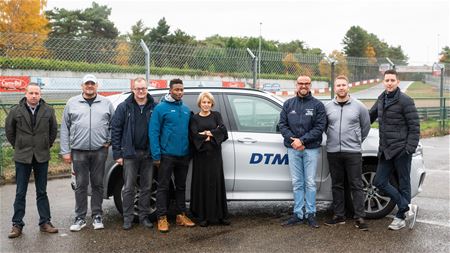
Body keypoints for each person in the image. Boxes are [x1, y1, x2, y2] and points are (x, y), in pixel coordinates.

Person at [60, 74, 114, 232]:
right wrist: (65, 151)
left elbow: (114, 124)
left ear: (97, 86)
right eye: (87, 84)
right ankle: (80, 217)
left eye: (92, 84)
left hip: (99, 151)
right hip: (78, 151)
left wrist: (108, 140)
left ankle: (97, 215)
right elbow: (65, 128)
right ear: (82, 86)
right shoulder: (72, 102)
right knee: (81, 185)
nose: (90, 86)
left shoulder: (106, 103)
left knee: (98, 184)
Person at [5, 83, 58, 238]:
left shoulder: (48, 110)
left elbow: (53, 130)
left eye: (36, 93)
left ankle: (45, 222)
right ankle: (17, 224)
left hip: (41, 156)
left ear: (40, 94)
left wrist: (45, 145)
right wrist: (19, 146)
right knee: (20, 192)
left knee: (42, 191)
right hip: (22, 156)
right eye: (31, 93)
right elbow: (10, 131)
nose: (34, 96)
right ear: (26, 93)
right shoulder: (16, 111)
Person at [369, 69, 420, 230]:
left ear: (397, 82)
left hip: (401, 150)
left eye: (392, 80)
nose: (389, 83)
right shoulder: (381, 99)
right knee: (379, 181)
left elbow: (414, 127)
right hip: (386, 150)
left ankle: (400, 217)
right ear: (383, 82)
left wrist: (409, 148)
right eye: (387, 80)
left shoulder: (405, 100)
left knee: (404, 183)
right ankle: (406, 206)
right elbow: (369, 117)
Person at [278, 75, 327, 228]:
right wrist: (294, 141)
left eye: (306, 83)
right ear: (296, 85)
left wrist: (303, 140)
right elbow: (282, 125)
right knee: (298, 183)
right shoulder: (288, 104)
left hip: (310, 149)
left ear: (310, 85)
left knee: (310, 183)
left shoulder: (318, 105)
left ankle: (311, 214)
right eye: (301, 83)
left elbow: (320, 127)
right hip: (293, 149)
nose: (303, 86)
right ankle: (298, 214)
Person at [324, 75, 370, 231]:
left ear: (348, 87)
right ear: (334, 88)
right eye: (338, 85)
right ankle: (339, 216)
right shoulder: (328, 107)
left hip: (353, 152)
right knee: (337, 185)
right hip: (333, 151)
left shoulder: (359, 106)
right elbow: (325, 127)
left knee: (356, 184)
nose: (341, 87)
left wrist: (356, 141)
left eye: (344, 85)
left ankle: (360, 217)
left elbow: (365, 127)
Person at [149, 78, 195, 233]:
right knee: (163, 187)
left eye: (181, 90)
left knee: (181, 187)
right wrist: (156, 155)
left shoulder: (186, 109)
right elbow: (153, 132)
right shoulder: (161, 108)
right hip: (166, 155)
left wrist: (189, 152)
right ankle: (162, 217)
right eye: (176, 90)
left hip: (183, 155)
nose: (179, 92)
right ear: (170, 90)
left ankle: (181, 215)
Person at [111, 77, 156, 230]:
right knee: (129, 187)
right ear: (133, 89)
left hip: (148, 154)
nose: (141, 91)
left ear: (147, 88)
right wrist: (117, 153)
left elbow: (158, 130)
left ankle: (144, 217)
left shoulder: (154, 107)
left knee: (146, 187)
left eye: (143, 88)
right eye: (138, 88)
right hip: (130, 154)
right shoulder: (124, 107)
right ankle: (128, 218)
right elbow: (116, 130)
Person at [189, 92, 229, 227]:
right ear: (200, 103)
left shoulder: (216, 115)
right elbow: (193, 136)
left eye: (208, 102)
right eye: (203, 102)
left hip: (215, 156)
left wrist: (206, 134)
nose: (206, 104)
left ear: (212, 103)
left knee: (216, 184)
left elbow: (223, 132)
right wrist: (213, 133)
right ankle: (203, 217)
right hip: (201, 157)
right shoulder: (194, 118)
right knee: (203, 185)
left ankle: (220, 216)